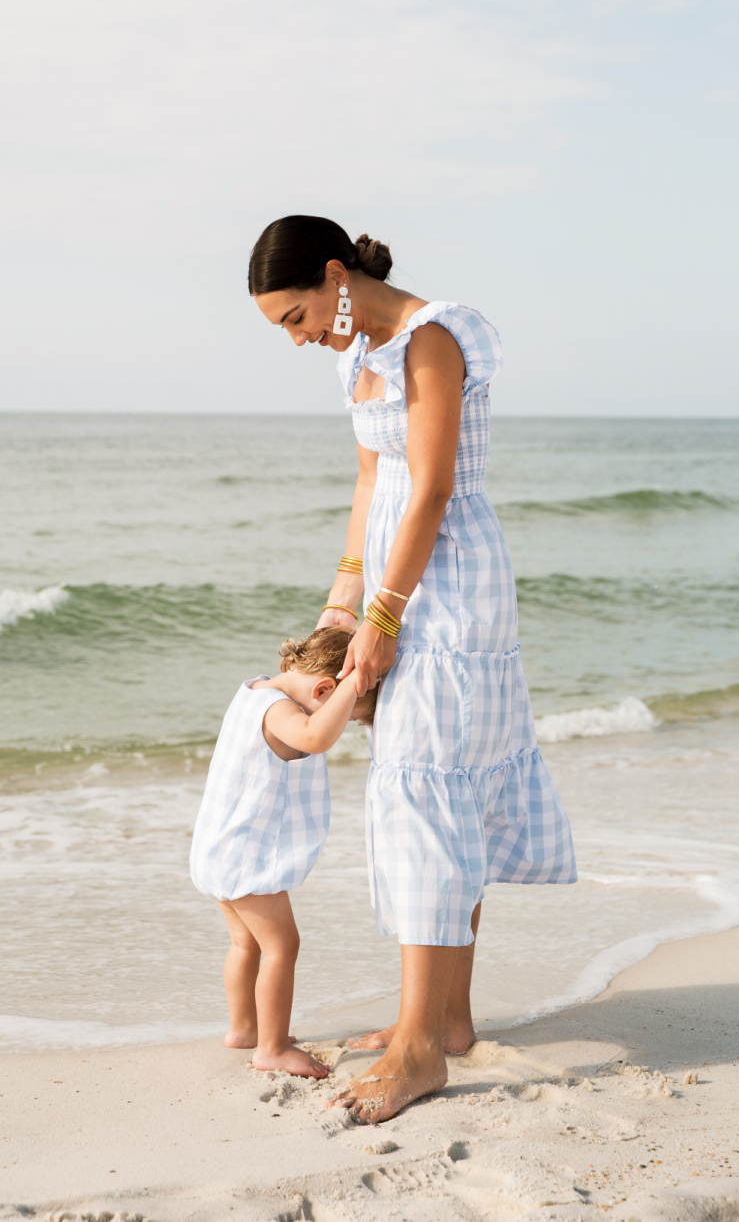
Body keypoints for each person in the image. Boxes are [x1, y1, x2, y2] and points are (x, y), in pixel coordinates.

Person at [248, 216, 577, 1123]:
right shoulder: (352, 354)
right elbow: (371, 484)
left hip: (451, 581)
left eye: (295, 314)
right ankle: (448, 1020)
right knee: (440, 791)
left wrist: (387, 615)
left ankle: (421, 1046)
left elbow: (431, 485)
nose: (297, 335)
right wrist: (340, 604)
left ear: (333, 273)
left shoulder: (432, 334)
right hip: (396, 572)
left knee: (422, 794)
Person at [190, 627, 378, 1079]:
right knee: (282, 946)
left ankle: (244, 1029)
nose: (345, 723)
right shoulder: (281, 712)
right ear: (323, 690)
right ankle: (271, 1048)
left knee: (244, 942)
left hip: (218, 849)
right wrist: (354, 682)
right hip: (245, 858)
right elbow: (313, 736)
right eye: (349, 715)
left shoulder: (255, 690)